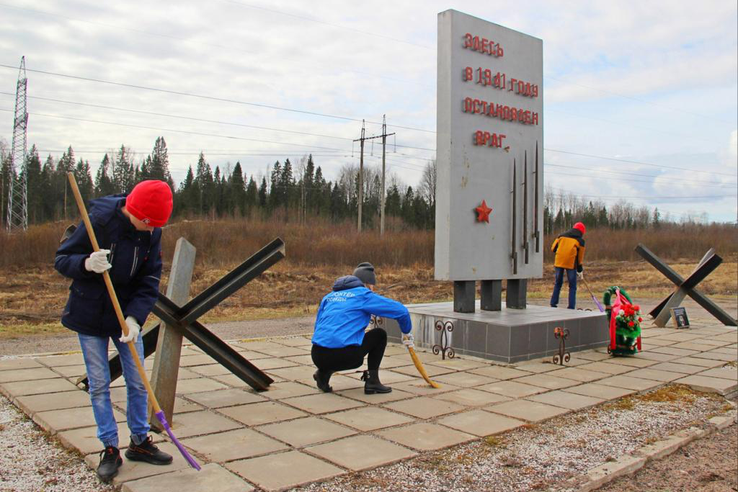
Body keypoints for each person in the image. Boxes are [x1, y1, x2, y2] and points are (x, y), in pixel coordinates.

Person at [55, 180, 174, 483]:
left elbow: (149, 277)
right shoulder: (98, 221)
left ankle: (139, 442)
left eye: (156, 226)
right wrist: (86, 264)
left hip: (125, 316)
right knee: (99, 384)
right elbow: (62, 259)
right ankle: (109, 448)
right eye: (148, 224)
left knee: (137, 381)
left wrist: (135, 319)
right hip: (90, 314)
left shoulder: (152, 233)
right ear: (135, 212)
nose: (151, 230)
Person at [311, 262, 414, 394]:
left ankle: (322, 374)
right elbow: (401, 311)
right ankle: (373, 382)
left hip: (317, 356)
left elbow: (318, 326)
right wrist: (406, 332)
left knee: (336, 341)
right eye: (372, 286)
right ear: (367, 284)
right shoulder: (363, 295)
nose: (373, 289)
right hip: (345, 358)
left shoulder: (329, 297)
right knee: (379, 335)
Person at [550, 222, 586, 309]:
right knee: (572, 286)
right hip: (571, 264)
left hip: (559, 262)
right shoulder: (580, 241)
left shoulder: (561, 236)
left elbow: (553, 248)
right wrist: (580, 269)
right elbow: (580, 258)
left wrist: (561, 252)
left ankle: (553, 303)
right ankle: (571, 306)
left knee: (558, 283)